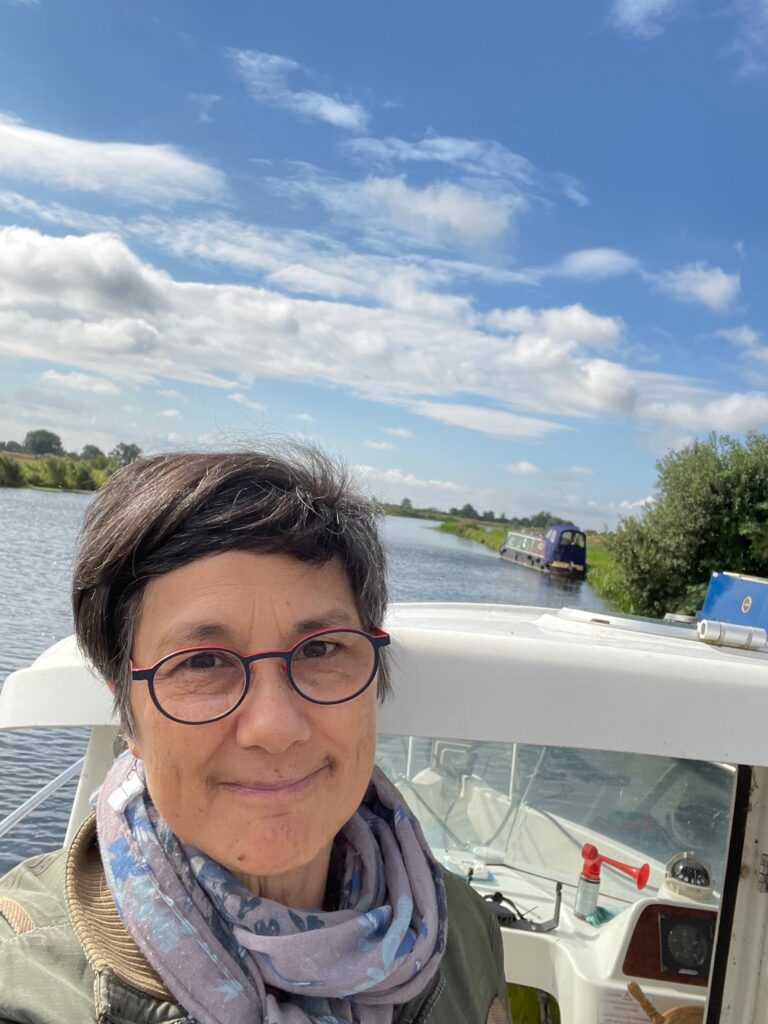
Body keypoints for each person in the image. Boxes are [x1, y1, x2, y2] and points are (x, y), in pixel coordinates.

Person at [0, 447, 509, 1023]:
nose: (274, 727)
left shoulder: (464, 930)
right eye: (201, 662)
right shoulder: (23, 980)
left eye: (320, 650)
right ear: (128, 715)